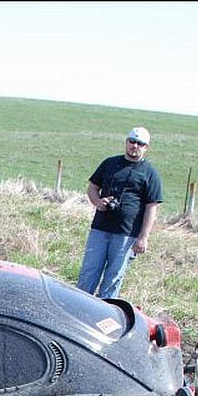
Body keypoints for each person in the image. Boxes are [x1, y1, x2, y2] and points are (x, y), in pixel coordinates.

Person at [76, 126, 163, 300]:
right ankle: (80, 307)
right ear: (126, 142)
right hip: (100, 229)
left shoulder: (150, 173)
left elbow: (151, 206)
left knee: (113, 278)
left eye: (140, 144)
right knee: (89, 272)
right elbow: (92, 188)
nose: (135, 146)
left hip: (127, 234)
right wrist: (98, 202)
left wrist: (143, 237)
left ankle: (104, 314)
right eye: (132, 141)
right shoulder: (110, 163)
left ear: (146, 147)